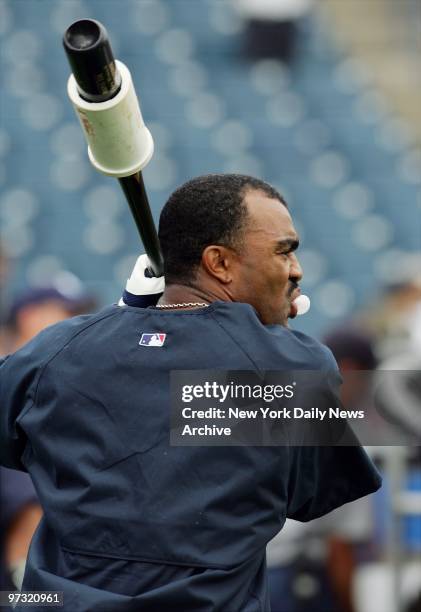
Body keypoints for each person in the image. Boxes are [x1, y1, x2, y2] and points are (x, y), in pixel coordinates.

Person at [0, 174, 381, 611]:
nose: (296, 270)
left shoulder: (58, 350)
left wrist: (120, 320)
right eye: (284, 251)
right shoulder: (294, 366)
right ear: (218, 263)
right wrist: (274, 340)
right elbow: (309, 495)